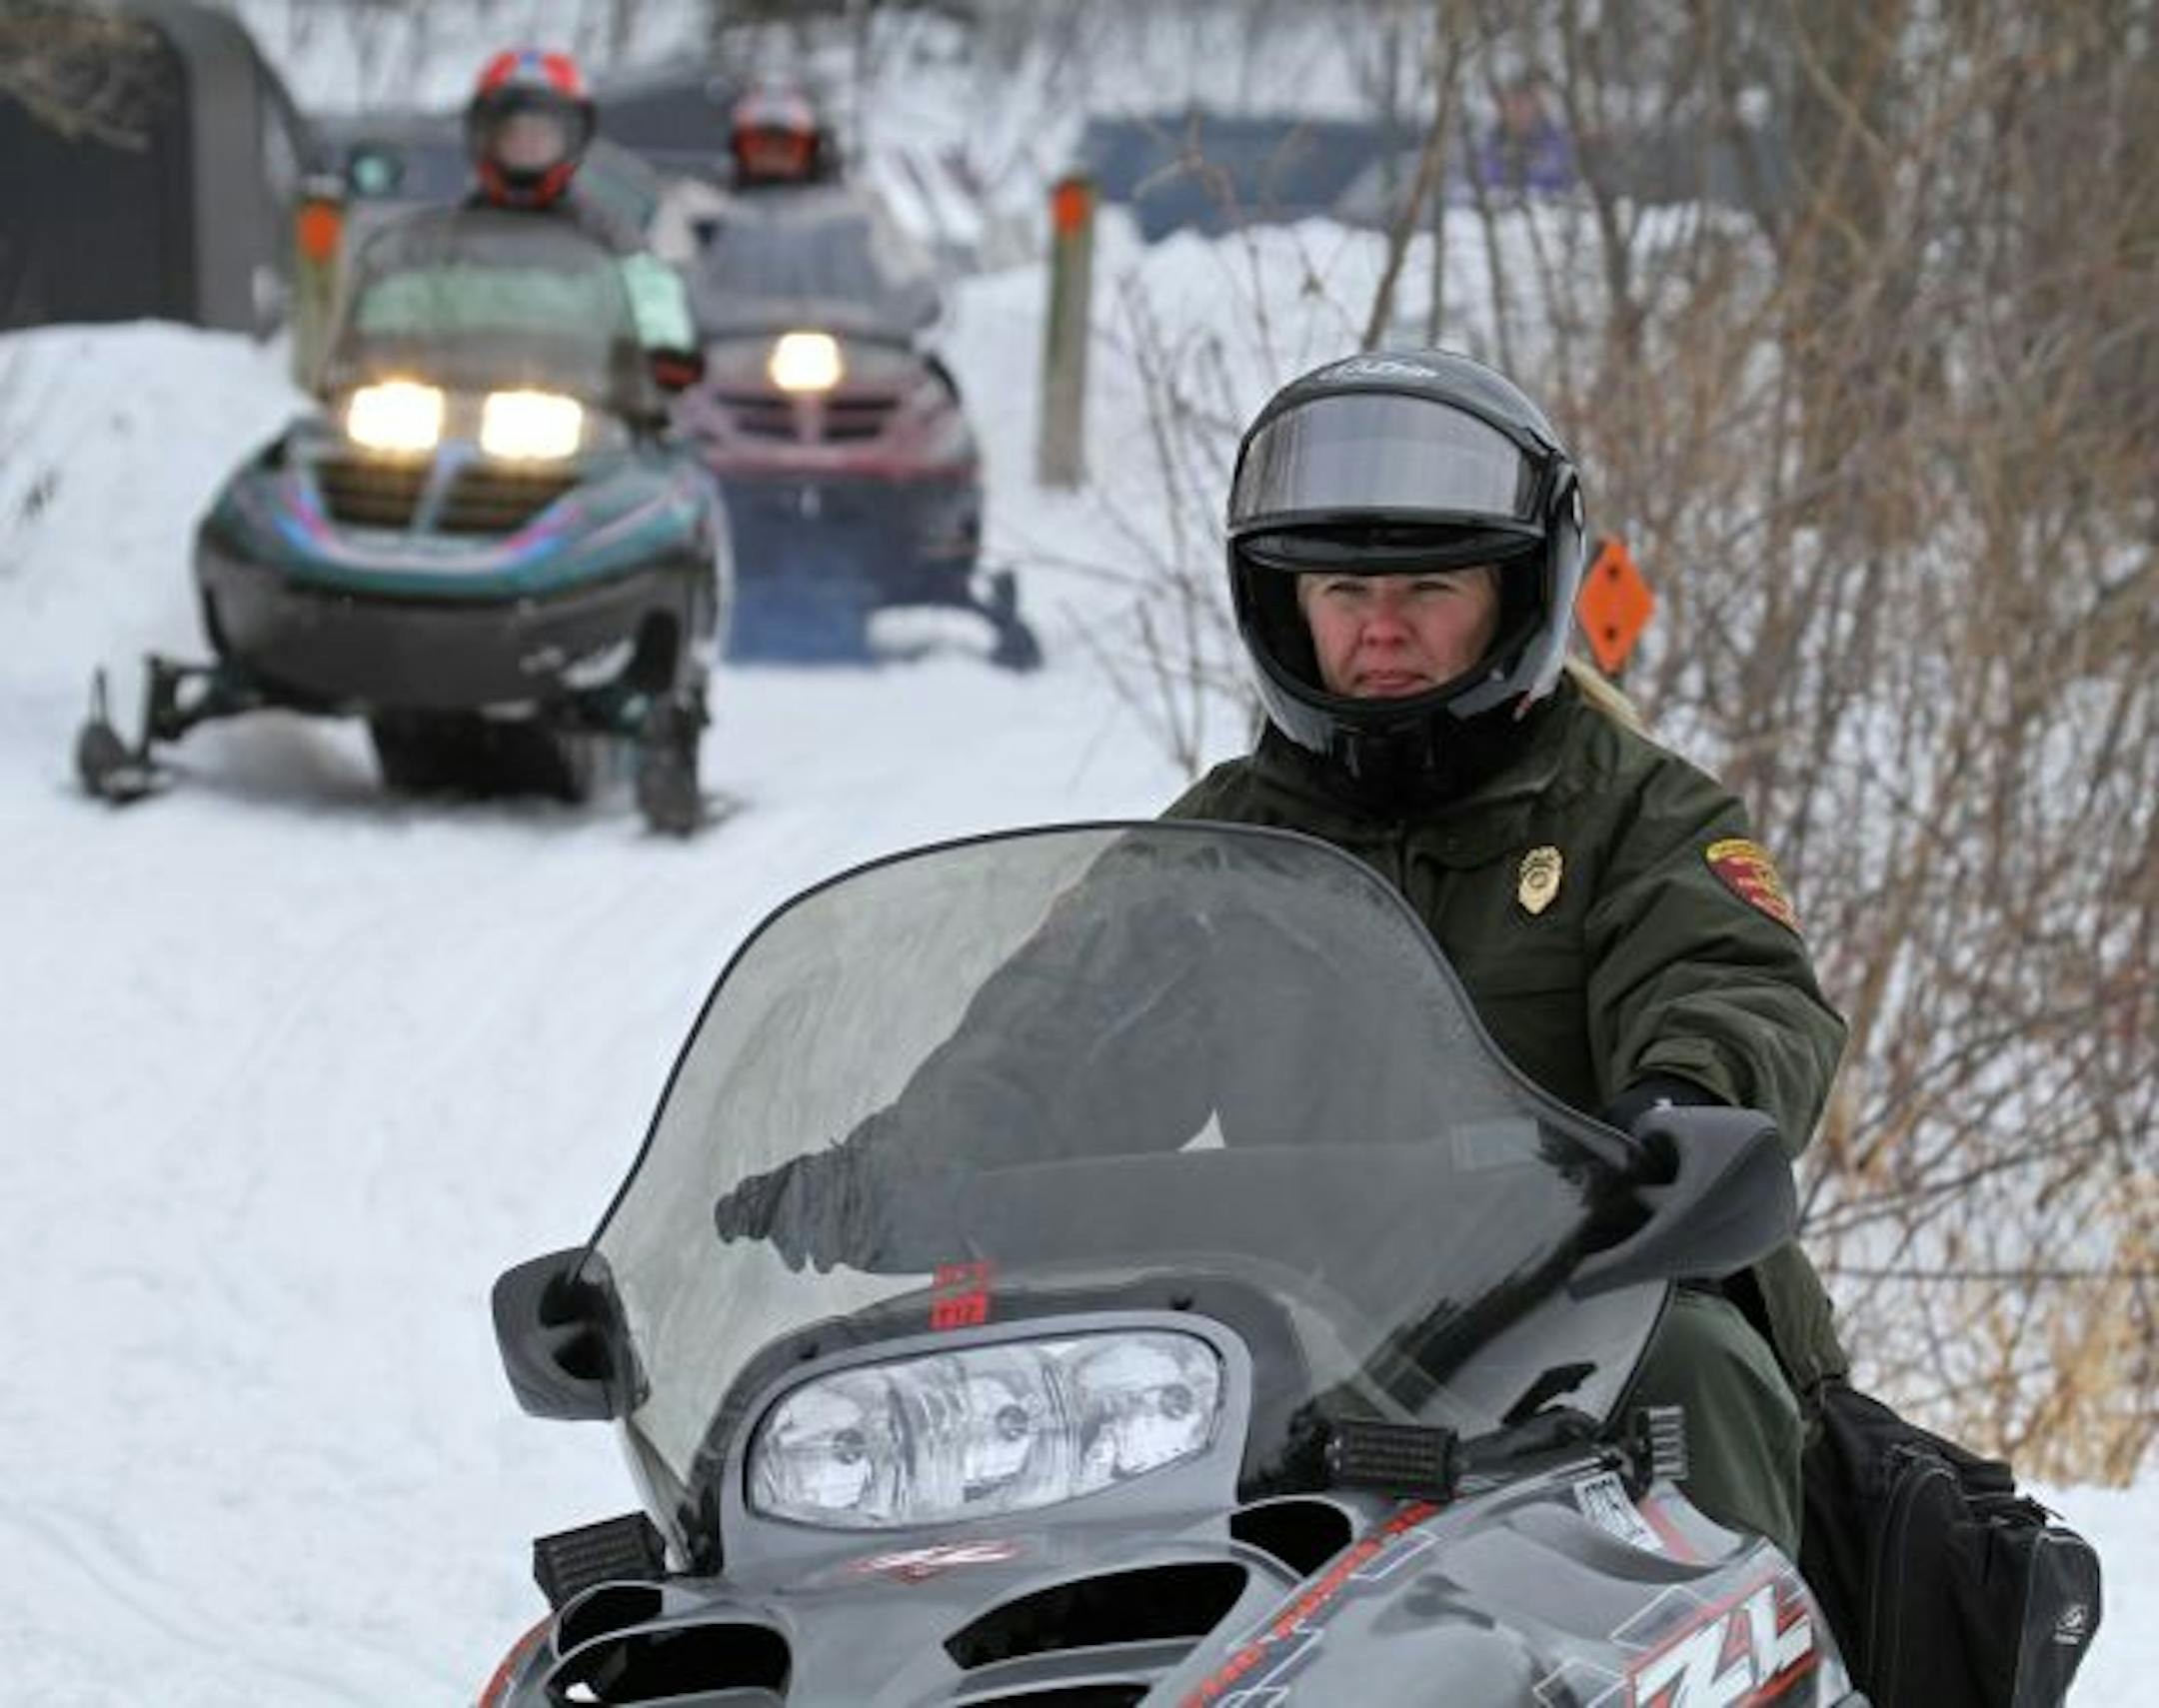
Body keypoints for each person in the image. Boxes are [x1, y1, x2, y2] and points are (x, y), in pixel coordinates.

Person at [1159, 347, 1846, 1556]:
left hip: (1587, 1300)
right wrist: (902, 1159)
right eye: (1338, 593)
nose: (1380, 630)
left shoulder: (1637, 811)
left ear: (1517, 595)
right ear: (1282, 606)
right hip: (1296, 1324)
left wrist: (1683, 1105)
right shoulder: (1223, 845)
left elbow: (1734, 984)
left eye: (1427, 589)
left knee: (1696, 1361)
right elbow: (1061, 1025)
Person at [461, 48, 701, 385]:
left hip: (583, 395)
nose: (528, 145)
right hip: (463, 390)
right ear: (487, 136)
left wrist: (664, 348)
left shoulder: (608, 233)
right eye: (515, 134)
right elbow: (405, 305)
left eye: (541, 135)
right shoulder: (454, 234)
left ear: (573, 138)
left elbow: (651, 294)